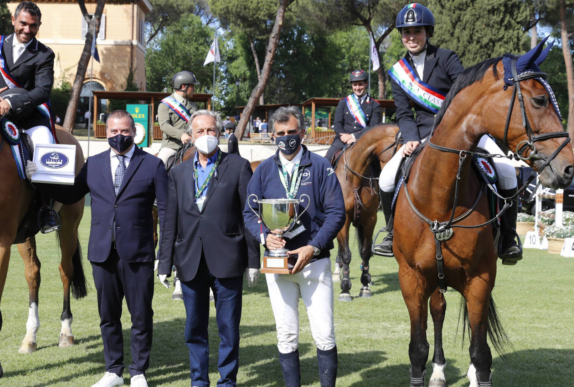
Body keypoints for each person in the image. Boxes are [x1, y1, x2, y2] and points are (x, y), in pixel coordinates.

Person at [374, 3, 523, 265]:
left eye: (416, 31)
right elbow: (404, 113)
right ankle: (389, 234)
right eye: (406, 32)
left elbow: (463, 93)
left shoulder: (446, 57)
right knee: (386, 178)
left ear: (427, 32)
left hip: (463, 130)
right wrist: (409, 138)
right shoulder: (397, 73)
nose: (411, 37)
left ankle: (508, 238)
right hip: (420, 136)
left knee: (507, 171)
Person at [32, 111, 167, 387]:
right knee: (108, 316)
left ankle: (138, 371)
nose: (119, 136)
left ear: (135, 132)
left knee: (140, 315)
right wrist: (42, 179)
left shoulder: (153, 165)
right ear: (107, 133)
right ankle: (114, 371)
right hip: (102, 253)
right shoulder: (93, 164)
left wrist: (165, 253)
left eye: (125, 131)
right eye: (114, 131)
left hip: (138, 253)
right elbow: (70, 194)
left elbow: (166, 210)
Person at [243, 107, 345, 387]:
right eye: (280, 134)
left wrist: (312, 247)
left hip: (314, 262)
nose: (286, 138)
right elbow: (249, 213)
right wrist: (265, 237)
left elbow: (337, 213)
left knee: (324, 334)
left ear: (301, 133)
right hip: (278, 262)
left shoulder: (321, 166)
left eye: (291, 132)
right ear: (272, 136)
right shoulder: (263, 169)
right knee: (286, 334)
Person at [158, 110, 260, 387]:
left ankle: (227, 381)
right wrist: (164, 263)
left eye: (211, 130)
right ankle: (198, 381)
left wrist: (253, 261)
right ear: (191, 136)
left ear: (220, 133)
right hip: (190, 262)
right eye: (200, 131)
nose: (206, 136)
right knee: (194, 329)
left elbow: (249, 215)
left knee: (228, 328)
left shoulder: (238, 166)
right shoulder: (178, 173)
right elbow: (170, 222)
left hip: (228, 260)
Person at [0, 1, 60, 233]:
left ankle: (45, 209)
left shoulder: (45, 54)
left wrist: (11, 102)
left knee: (46, 144)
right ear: (13, 20)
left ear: (38, 26)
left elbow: (43, 91)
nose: (27, 30)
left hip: (31, 115)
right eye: (23, 23)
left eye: (33, 26)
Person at [325, 69, 382, 163]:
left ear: (366, 84)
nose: (357, 88)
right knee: (326, 162)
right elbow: (337, 124)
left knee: (379, 167)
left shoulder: (375, 105)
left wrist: (353, 136)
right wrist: (345, 137)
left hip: (365, 139)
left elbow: (373, 127)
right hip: (342, 140)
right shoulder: (343, 102)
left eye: (360, 84)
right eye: (354, 85)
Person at [157, 71, 199, 166]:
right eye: (192, 86)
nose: (194, 89)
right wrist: (181, 135)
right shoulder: (164, 105)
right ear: (184, 86)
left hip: (191, 145)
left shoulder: (193, 106)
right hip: (172, 146)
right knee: (158, 166)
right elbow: (164, 125)